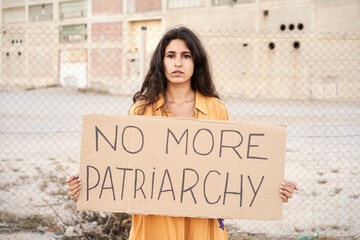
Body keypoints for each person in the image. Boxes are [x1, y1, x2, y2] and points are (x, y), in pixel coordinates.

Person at [66, 26, 299, 240]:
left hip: (202, 225)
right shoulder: (141, 110)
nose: (178, 63)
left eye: (185, 56)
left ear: (196, 62)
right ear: (162, 61)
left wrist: (273, 187)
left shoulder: (216, 110)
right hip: (154, 226)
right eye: (171, 55)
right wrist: (88, 183)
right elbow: (123, 166)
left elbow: (234, 170)